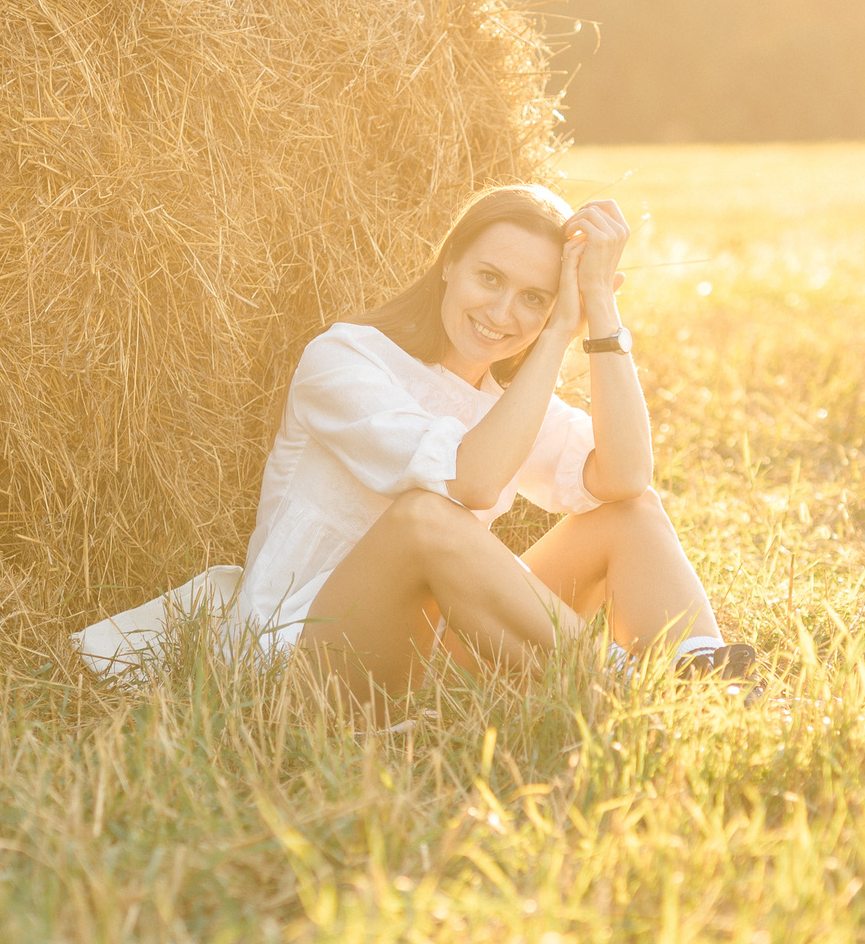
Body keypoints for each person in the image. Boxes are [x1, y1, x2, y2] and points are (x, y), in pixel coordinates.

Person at [226, 183, 756, 698]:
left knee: (631, 511)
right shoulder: (346, 359)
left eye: (534, 298)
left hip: (437, 654)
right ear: (449, 262)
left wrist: (599, 304)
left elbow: (627, 477)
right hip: (305, 651)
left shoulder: (506, 403)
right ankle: (618, 681)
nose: (502, 314)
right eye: (489, 277)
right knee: (425, 516)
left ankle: (709, 684)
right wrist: (555, 334)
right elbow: (472, 481)